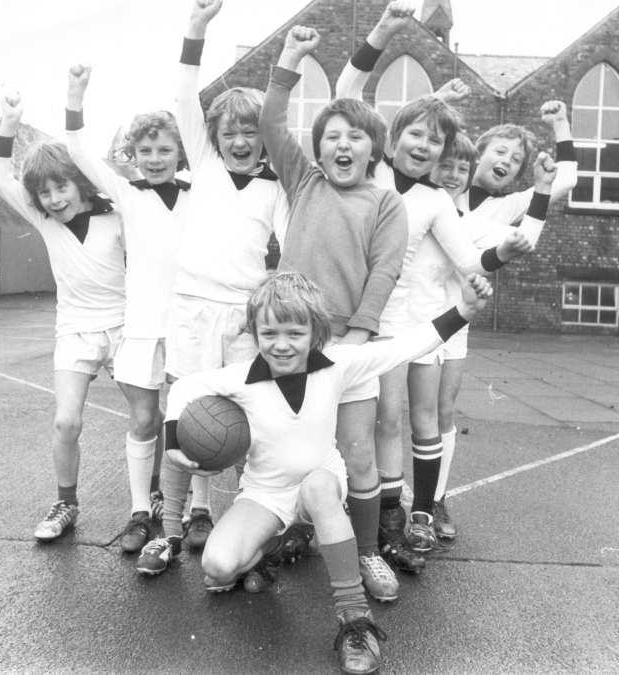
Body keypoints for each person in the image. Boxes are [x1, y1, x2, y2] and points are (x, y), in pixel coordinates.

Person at [154, 271, 491, 675]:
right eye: (269, 333)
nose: (281, 344)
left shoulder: (337, 364)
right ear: (256, 332)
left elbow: (406, 346)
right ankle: (273, 546)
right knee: (218, 568)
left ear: (315, 332)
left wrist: (465, 310)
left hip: (322, 484)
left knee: (316, 486)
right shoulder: (240, 378)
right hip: (265, 493)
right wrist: (173, 439)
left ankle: (355, 620)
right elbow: (182, 389)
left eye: (294, 333)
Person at [335, 1, 532, 558]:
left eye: (435, 143)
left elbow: (467, 258)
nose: (423, 147)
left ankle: (405, 515)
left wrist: (501, 255)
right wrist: (381, 32)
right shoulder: (368, 169)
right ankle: (331, 513)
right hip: (345, 314)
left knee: (394, 417)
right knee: (349, 419)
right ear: (393, 136)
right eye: (415, 135)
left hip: (397, 322)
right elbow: (345, 93)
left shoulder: (435, 200)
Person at [255, 23, 411, 602]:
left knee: (358, 450)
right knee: (288, 449)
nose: (342, 146)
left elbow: (384, 272)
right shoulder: (303, 182)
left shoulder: (386, 201)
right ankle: (294, 530)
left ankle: (366, 551)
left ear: (375, 148)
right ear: (317, 148)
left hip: (350, 346)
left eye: (356, 137)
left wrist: (358, 336)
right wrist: (289, 58)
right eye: (332, 137)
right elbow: (272, 123)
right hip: (292, 346)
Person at [137, 0, 291, 563]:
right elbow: (183, 96)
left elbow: (291, 251)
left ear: (264, 136)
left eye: (251, 130)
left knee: (248, 425)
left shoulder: (275, 187)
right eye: (231, 130)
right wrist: (196, 30)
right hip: (191, 310)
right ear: (215, 135)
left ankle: (246, 537)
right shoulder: (199, 164)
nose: (241, 139)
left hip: (243, 320)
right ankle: (170, 531)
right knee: (182, 421)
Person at [0, 94, 126, 541]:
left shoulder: (119, 218)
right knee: (66, 422)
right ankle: (66, 502)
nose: (53, 198)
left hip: (125, 327)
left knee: (148, 417)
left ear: (80, 182)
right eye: (44, 193)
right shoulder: (45, 220)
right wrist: (9, 123)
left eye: (60, 187)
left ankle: (154, 499)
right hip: (74, 332)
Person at [66, 67, 190, 554]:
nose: (156, 159)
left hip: (186, 326)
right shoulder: (125, 195)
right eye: (146, 151)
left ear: (179, 153)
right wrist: (76, 95)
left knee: (189, 422)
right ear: (132, 157)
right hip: (140, 327)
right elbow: (77, 149)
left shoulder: (198, 193)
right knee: (144, 420)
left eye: (164, 150)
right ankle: (141, 512)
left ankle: (191, 513)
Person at [427, 132, 558, 538]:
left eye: (516, 158)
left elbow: (524, 241)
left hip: (453, 321)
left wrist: (541, 189)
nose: (507, 160)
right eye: (499, 151)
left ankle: (433, 499)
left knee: (442, 412)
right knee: (385, 415)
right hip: (403, 318)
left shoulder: (484, 219)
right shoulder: (421, 199)